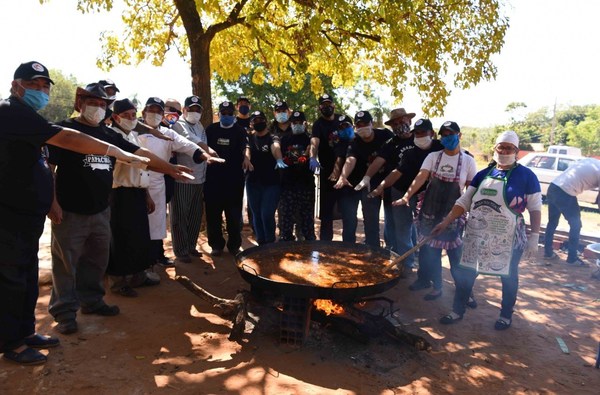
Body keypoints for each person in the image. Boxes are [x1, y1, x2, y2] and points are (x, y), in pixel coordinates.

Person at [0, 61, 151, 365]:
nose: (41, 91)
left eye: (45, 86)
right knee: (17, 278)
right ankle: (13, 342)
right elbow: (61, 149)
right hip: (13, 215)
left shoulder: (29, 116)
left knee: (29, 275)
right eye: (34, 85)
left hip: (36, 213)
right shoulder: (10, 111)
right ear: (17, 85)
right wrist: (54, 200)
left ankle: (27, 331)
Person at [47, 85, 193, 336]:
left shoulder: (108, 134)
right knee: (66, 263)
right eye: (94, 102)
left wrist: (169, 169)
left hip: (102, 209)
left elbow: (140, 154)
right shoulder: (65, 130)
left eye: (103, 104)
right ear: (80, 103)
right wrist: (52, 203)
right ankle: (65, 312)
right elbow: (48, 167)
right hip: (70, 209)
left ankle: (92, 301)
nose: (98, 108)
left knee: (96, 259)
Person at [432, 131, 542, 330]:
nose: (504, 150)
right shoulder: (483, 174)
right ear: (495, 148)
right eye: (501, 146)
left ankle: (505, 315)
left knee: (508, 276)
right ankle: (457, 310)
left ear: (516, 151)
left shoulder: (526, 176)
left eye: (509, 148)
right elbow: (464, 201)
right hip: (477, 234)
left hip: (507, 238)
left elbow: (535, 208)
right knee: (465, 272)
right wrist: (447, 220)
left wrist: (534, 236)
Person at [393, 121, 477, 301]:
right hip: (430, 211)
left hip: (452, 214)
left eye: (451, 134)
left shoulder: (468, 161)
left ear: (459, 135)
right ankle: (435, 286)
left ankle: (465, 292)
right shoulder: (433, 157)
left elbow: (471, 189)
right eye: (444, 135)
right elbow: (421, 177)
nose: (447, 138)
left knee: (456, 256)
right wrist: (407, 197)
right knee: (430, 253)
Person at [137, 97, 213, 266]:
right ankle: (142, 262)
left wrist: (204, 155)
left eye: (159, 111)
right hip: (134, 182)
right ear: (144, 112)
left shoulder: (168, 132)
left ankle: (156, 256)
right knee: (138, 222)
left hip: (158, 182)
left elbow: (185, 144)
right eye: (152, 110)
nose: (155, 115)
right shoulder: (134, 131)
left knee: (157, 221)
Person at [369, 119, 443, 275]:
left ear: (432, 133)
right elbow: (397, 172)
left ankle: (426, 268)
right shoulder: (410, 152)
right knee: (402, 229)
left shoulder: (440, 148)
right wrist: (381, 187)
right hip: (401, 191)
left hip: (429, 194)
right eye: (417, 133)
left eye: (423, 132)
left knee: (426, 230)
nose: (420, 136)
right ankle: (407, 265)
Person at [106, 98, 157, 297]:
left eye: (133, 115)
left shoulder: (134, 136)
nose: (130, 118)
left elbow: (141, 170)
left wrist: (147, 195)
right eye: (125, 115)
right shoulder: (112, 136)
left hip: (137, 192)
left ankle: (139, 275)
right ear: (115, 117)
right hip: (118, 193)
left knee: (139, 235)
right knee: (119, 237)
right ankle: (118, 282)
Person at [359, 108, 416, 254]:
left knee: (413, 226)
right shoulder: (391, 143)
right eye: (395, 124)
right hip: (395, 190)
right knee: (393, 226)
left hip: (417, 190)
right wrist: (367, 177)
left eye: (401, 121)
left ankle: (412, 256)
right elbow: (378, 161)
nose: (399, 125)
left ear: (409, 121)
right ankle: (395, 255)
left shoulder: (419, 137)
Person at [334, 111, 393, 248]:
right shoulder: (354, 141)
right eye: (359, 125)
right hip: (356, 184)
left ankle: (374, 250)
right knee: (350, 219)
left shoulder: (385, 135)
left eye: (365, 123)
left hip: (379, 182)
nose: (363, 127)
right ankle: (348, 249)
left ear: (371, 123)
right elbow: (350, 159)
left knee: (372, 220)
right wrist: (343, 177)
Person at [169, 95, 215, 263]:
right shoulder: (179, 125)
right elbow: (192, 141)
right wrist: (209, 151)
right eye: (191, 109)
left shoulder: (200, 125)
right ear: (184, 110)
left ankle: (190, 246)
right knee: (180, 216)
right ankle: (181, 251)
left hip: (200, 179)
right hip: (183, 178)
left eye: (198, 110)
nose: (194, 112)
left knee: (195, 215)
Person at [204, 101, 253, 256]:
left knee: (233, 215)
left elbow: (246, 147)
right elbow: (202, 147)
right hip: (213, 180)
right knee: (213, 215)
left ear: (234, 115)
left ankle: (234, 245)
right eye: (223, 113)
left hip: (234, 180)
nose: (226, 116)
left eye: (229, 114)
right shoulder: (211, 130)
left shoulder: (239, 131)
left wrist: (247, 158)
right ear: (219, 114)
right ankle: (216, 245)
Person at [543, 158, 600, 266]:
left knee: (552, 222)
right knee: (576, 225)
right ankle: (572, 258)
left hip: (553, 187)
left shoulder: (593, 162)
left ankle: (548, 252)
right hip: (565, 192)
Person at [246, 110, 287, 245]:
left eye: (260, 120)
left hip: (271, 183)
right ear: (251, 124)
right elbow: (247, 150)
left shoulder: (273, 137)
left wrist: (279, 159)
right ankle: (261, 242)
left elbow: (276, 147)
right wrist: (246, 159)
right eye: (255, 121)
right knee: (256, 214)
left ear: (266, 121)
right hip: (253, 183)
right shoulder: (250, 138)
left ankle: (270, 241)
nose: (258, 123)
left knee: (267, 214)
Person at [309, 94, 343, 241]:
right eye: (323, 105)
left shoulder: (343, 120)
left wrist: (338, 168)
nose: (326, 107)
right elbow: (314, 142)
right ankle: (325, 244)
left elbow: (347, 143)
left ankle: (349, 243)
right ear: (319, 108)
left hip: (346, 171)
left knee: (347, 211)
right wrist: (312, 156)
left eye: (329, 104)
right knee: (326, 212)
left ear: (334, 105)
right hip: (326, 172)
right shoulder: (318, 124)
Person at [279, 111, 317, 241]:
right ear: (291, 124)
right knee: (286, 217)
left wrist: (308, 157)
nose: (297, 125)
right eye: (295, 122)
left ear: (305, 123)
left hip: (306, 184)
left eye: (300, 122)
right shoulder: (285, 139)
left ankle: (309, 241)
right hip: (288, 185)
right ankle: (286, 240)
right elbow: (281, 157)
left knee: (306, 217)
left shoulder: (310, 139)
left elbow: (314, 152)